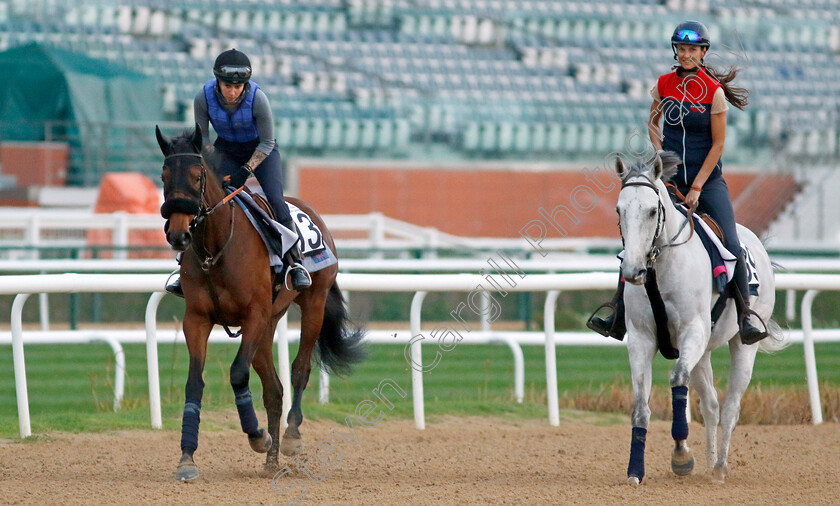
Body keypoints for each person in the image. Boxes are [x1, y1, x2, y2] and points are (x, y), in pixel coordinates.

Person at [587, 20, 767, 344]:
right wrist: (659, 157)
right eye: (682, 49)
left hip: (707, 182)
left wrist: (697, 186)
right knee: (636, 237)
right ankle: (617, 312)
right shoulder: (664, 83)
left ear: (703, 53)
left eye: (692, 50)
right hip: (668, 179)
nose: (686, 55)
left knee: (732, 243)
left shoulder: (713, 92)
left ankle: (745, 315)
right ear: (676, 51)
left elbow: (718, 145)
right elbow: (652, 123)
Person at [166, 48, 310, 296]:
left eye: (238, 86)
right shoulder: (202, 97)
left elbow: (267, 143)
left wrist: (246, 171)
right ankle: (183, 265)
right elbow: (204, 139)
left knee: (276, 199)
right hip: (226, 150)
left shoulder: (258, 99)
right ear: (217, 81)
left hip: (261, 151)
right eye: (227, 86)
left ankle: (295, 262)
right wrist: (215, 165)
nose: (232, 91)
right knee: (204, 197)